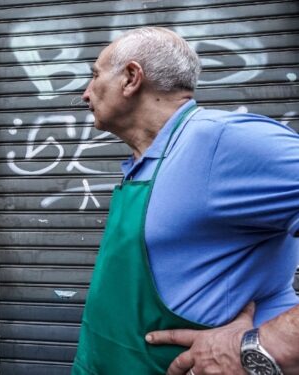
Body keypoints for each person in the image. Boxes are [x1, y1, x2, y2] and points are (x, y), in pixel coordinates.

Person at [71, 26, 299, 375]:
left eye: (95, 76)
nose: (85, 94)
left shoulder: (223, 141)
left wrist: (270, 344)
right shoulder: (146, 160)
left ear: (131, 78)